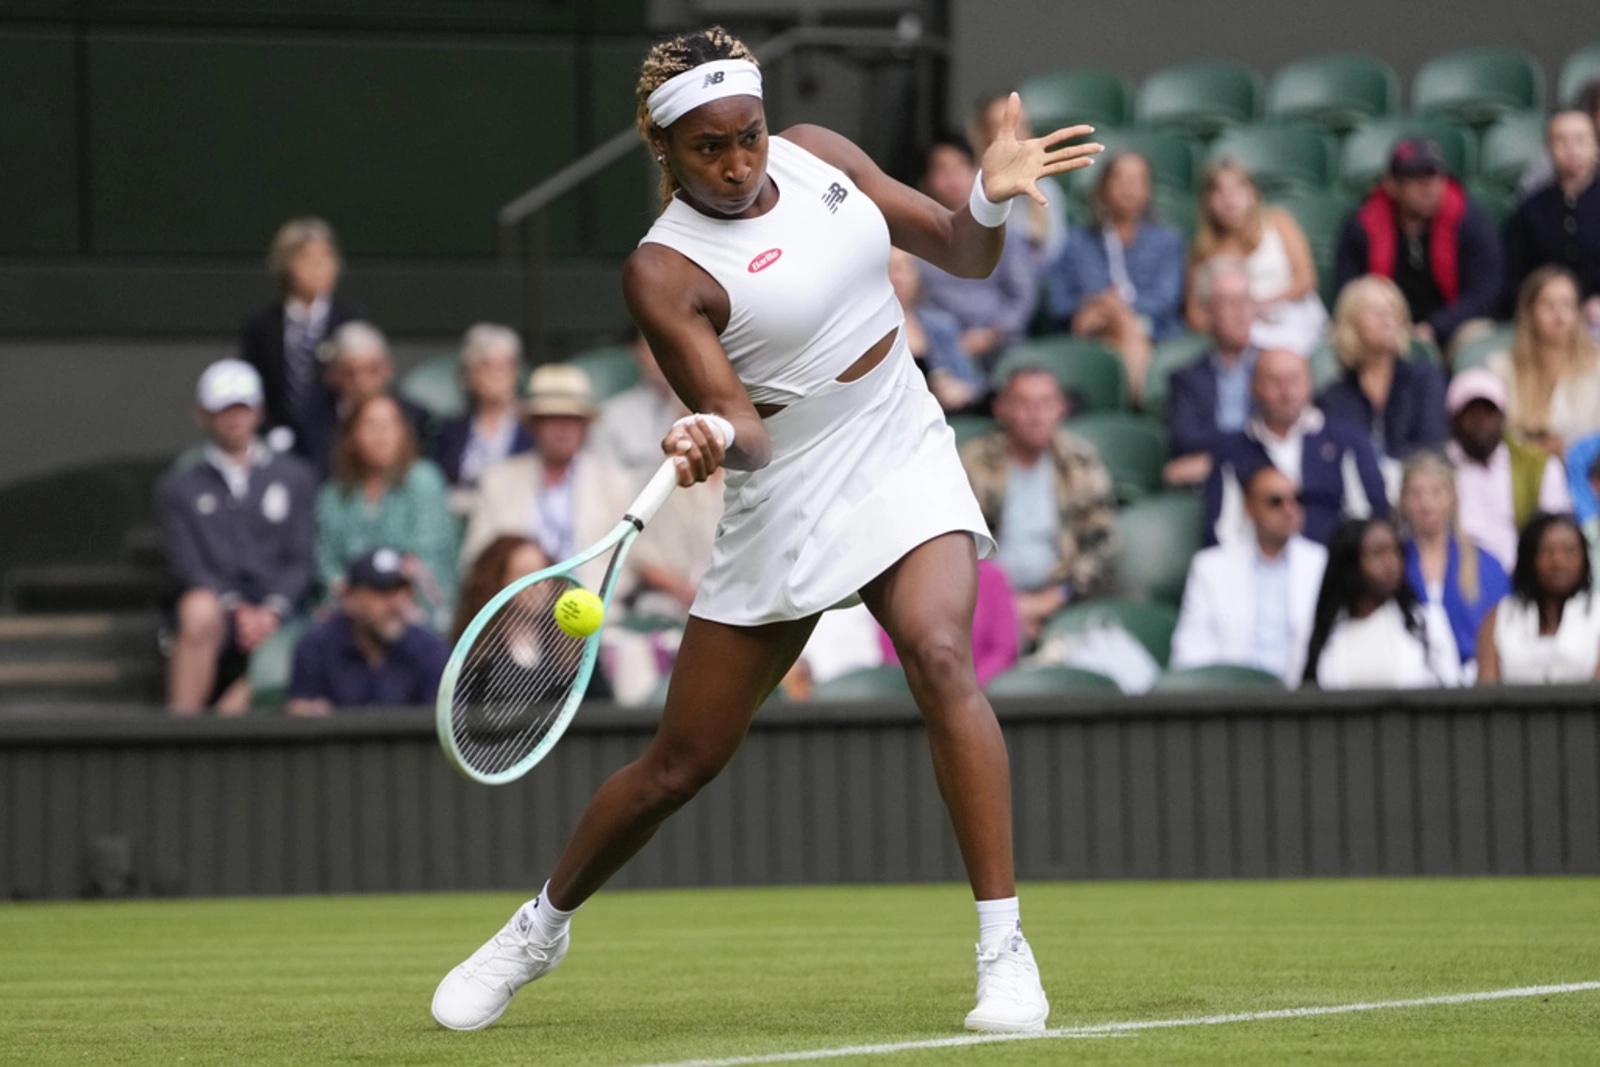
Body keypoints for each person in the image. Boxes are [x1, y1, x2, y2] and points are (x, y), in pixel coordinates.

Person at [430, 25, 1102, 1035]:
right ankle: (541, 924)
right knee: (679, 761)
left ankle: (1004, 951)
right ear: (662, 149)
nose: (739, 163)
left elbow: (961, 252)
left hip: (899, 437)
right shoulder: (662, 271)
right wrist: (709, 429)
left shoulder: (822, 154)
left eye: (748, 134)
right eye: (709, 147)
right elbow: (745, 430)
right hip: (785, 486)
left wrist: (988, 197)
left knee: (937, 649)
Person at [158, 359, 316, 714]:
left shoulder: (295, 477)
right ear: (201, 414)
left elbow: (299, 559)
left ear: (258, 411)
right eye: (223, 409)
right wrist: (236, 607)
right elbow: (188, 565)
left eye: (242, 407)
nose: (234, 418)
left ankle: (221, 726)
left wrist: (271, 610)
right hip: (220, 611)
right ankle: (180, 728)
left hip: (282, 612)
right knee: (197, 607)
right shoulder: (179, 487)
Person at [960, 366, 1120, 643]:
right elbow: (957, 547)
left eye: (1046, 403)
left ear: (1061, 408)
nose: (1036, 415)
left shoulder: (1079, 462)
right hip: (985, 601)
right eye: (1023, 403)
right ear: (1001, 408)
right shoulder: (975, 462)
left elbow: (1103, 543)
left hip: (1063, 600)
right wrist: (1006, 604)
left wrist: (1057, 597)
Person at [458, 364, 634, 593]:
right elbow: (478, 558)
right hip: (515, 611)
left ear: (584, 426)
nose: (562, 430)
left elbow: (629, 564)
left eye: (571, 419)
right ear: (534, 425)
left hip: (594, 609)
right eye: (552, 419)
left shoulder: (616, 482)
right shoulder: (497, 480)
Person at [1204, 348, 1388, 547]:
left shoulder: (1347, 439)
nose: (1286, 391)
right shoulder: (1231, 450)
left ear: (1309, 384)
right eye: (1274, 381)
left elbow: (1371, 517)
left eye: (1294, 380)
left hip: (1335, 567)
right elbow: (1222, 531)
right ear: (1253, 387)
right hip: (1259, 569)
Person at [1333, 137, 1501, 353]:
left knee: (1478, 336)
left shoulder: (1467, 219)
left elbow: (1485, 292)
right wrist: (1390, 325)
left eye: (1433, 176)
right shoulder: (1363, 224)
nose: (1427, 187)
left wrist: (1435, 327)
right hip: (1385, 326)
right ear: (1392, 185)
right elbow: (1350, 292)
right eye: (1414, 178)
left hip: (1450, 328)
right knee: (1339, 337)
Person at [1047, 151, 1185, 404]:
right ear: (1103, 187)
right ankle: (1139, 401)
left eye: (1137, 180)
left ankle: (1131, 399)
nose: (1128, 188)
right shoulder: (1078, 242)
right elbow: (1059, 302)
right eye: (1120, 179)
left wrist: (1112, 308)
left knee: (1122, 327)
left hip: (1155, 332)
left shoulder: (1167, 241)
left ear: (1148, 188)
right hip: (1092, 334)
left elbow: (1165, 299)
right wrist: (1091, 310)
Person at [314, 394, 459, 632]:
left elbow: (429, 559)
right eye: (371, 425)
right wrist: (360, 600)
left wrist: (386, 600)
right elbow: (328, 565)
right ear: (351, 437)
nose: (381, 434)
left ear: (403, 433)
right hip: (351, 611)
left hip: (412, 610)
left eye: (390, 424)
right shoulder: (332, 495)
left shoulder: (424, 480)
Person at [1171, 466, 1327, 686]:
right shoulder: (1210, 567)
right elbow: (1191, 650)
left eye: (1297, 499)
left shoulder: (1321, 563)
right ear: (1249, 508)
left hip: (1303, 699)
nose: (1289, 509)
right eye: (1275, 501)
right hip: (1234, 701)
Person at [913, 132, 1041, 372]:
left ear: (976, 172)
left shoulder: (1006, 231)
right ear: (924, 181)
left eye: (962, 166)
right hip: (938, 342)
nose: (954, 177)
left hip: (1001, 342)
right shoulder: (914, 238)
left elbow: (1023, 297)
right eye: (942, 169)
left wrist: (992, 334)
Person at [239, 218, 361, 462]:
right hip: (276, 444)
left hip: (337, 444)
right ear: (285, 266)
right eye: (306, 258)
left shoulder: (352, 322)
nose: (318, 267)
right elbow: (254, 388)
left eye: (326, 257)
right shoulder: (262, 327)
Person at [1301, 517, 1460, 689]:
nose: (1391, 563)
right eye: (1378, 553)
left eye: (1395, 551)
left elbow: (1451, 695)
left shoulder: (1428, 622)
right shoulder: (1318, 631)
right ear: (1351, 565)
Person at [1186, 160, 1328, 354]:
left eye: (1237, 189)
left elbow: (1306, 279)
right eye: (1218, 192)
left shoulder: (1278, 221)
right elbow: (1195, 315)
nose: (1229, 200)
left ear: (1252, 193)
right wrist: (1232, 320)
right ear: (1207, 202)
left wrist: (1261, 305)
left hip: (1294, 316)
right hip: (1239, 333)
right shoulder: (1202, 252)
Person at [287, 548, 449, 715]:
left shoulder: (430, 649)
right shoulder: (316, 647)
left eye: (402, 592)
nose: (395, 604)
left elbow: (441, 722)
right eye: (382, 593)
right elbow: (301, 711)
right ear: (349, 598)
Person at [451, 534, 613, 702]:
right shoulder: (473, 654)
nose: (539, 584)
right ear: (497, 581)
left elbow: (603, 708)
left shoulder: (577, 648)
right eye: (524, 574)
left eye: (544, 573)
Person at [1443, 368, 1572, 572]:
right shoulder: (1437, 468)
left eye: (1488, 413)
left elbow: (1554, 529)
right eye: (1471, 414)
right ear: (1454, 419)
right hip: (1456, 575)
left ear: (1503, 418)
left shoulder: (1537, 466)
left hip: (1523, 576)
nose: (1480, 422)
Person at [1316, 275, 1448, 471]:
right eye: (1375, 312)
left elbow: (1430, 446)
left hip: (1416, 491)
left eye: (1393, 310)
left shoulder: (1426, 380)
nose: (1386, 318)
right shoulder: (1334, 396)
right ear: (1351, 323)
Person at [1396, 451, 1509, 670]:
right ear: (1403, 501)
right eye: (1416, 494)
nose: (1426, 504)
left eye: (1437, 492)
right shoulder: (1392, 563)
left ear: (1452, 499)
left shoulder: (1487, 565)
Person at [1164, 257, 1260, 486]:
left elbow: (1284, 432)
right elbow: (1185, 438)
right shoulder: (1186, 378)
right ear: (1207, 313)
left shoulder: (1275, 367)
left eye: (1245, 300)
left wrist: (1216, 461)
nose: (1241, 312)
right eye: (1229, 302)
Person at [1487, 266, 1600, 456]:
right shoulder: (1502, 368)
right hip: (1521, 471)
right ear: (1529, 312)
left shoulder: (1596, 366)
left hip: (1586, 473)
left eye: (1567, 304)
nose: (1559, 315)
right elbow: (1496, 435)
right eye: (1548, 305)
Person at [1477, 513, 1600, 684]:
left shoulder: (1597, 613)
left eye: (1570, 551)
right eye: (1547, 551)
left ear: (1584, 558)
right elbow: (1484, 694)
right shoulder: (1499, 619)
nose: (1559, 562)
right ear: (1529, 558)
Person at [1504, 107, 1600, 324]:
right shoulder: (1530, 210)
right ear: (1548, 149)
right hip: (1542, 322)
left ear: (1596, 146)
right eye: (1561, 141)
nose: (1572, 149)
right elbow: (1514, 277)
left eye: (1581, 140)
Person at [431, 324, 533, 510]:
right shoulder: (449, 431)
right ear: (469, 375)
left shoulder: (533, 428)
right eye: (487, 365)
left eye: (506, 365)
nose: (498, 374)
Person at [967, 91, 1069, 265]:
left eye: (1021, 126)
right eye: (1001, 127)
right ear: (982, 135)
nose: (1015, 136)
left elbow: (1056, 255)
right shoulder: (967, 188)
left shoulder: (1048, 188)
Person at [319, 321, 434, 471]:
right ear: (333, 375)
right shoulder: (315, 418)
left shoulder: (415, 417)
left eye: (371, 370)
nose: (361, 381)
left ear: (388, 369)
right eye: (350, 373)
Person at [888, 246, 988, 411]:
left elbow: (975, 385)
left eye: (904, 268)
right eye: (890, 270)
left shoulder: (940, 325)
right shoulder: (865, 333)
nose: (899, 278)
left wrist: (960, 391)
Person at [590, 334, 687, 483]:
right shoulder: (610, 416)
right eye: (654, 349)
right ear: (637, 352)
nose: (662, 358)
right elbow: (604, 483)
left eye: (671, 349)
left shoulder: (700, 411)